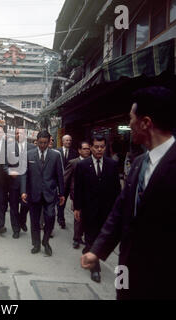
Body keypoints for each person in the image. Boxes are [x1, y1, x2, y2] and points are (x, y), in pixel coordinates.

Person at [81, 86, 176, 299]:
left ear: (146, 123)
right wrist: (96, 250)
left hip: (163, 278)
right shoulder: (139, 163)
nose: (129, 125)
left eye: (131, 119)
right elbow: (119, 213)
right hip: (126, 269)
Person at [74, 135, 121, 283]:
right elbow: (78, 188)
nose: (99, 149)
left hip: (107, 211)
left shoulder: (112, 165)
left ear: (105, 147)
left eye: (102, 147)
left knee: (102, 237)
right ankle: (95, 269)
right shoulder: (82, 165)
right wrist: (77, 208)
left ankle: (91, 252)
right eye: (96, 147)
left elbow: (117, 190)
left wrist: (117, 209)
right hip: (89, 210)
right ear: (91, 147)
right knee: (90, 238)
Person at [21, 131, 65, 256]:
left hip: (50, 193)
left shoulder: (55, 156)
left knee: (50, 217)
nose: (42, 145)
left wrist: (62, 193)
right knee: (34, 221)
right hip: (33, 193)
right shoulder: (29, 155)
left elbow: (59, 176)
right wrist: (23, 191)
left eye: (45, 143)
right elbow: (24, 174)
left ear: (49, 141)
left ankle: (46, 241)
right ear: (37, 141)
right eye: (40, 143)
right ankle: (36, 244)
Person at [4, 127, 35, 239]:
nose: (18, 135)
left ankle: (22, 220)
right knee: (13, 206)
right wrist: (10, 171)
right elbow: (4, 165)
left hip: (28, 183)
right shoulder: (9, 148)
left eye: (20, 133)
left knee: (26, 205)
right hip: (14, 182)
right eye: (16, 133)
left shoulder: (33, 147)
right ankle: (16, 229)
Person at [63, 141, 91, 249]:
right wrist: (62, 192)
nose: (86, 151)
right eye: (84, 149)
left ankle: (81, 236)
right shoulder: (74, 162)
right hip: (77, 194)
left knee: (86, 217)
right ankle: (76, 238)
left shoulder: (92, 162)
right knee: (78, 217)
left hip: (89, 195)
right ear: (79, 150)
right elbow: (65, 178)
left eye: (88, 148)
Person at [57, 134, 78, 229]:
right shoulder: (57, 152)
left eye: (70, 140)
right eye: (66, 140)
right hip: (60, 181)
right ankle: (61, 219)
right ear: (62, 141)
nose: (68, 142)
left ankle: (60, 217)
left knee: (69, 202)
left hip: (71, 182)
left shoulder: (74, 153)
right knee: (61, 200)